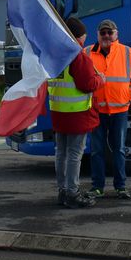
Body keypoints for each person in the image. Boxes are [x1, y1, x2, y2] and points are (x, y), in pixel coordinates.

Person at [87, 19, 131, 200]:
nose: (106, 36)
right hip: (96, 110)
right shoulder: (86, 53)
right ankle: (97, 187)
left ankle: (120, 187)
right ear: (97, 35)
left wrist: (130, 94)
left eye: (109, 32)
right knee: (97, 150)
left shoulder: (129, 53)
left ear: (116, 34)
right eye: (103, 32)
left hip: (120, 110)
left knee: (119, 149)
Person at [50, 17, 104, 208]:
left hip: (59, 112)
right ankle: (72, 193)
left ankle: (62, 191)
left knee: (61, 153)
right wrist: (100, 80)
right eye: (82, 36)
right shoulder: (78, 56)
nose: (84, 40)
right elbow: (87, 84)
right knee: (74, 154)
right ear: (77, 37)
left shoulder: (55, 55)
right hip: (76, 113)